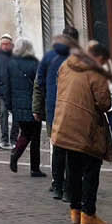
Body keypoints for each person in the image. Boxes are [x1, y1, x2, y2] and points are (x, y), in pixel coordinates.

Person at [51, 38, 112, 224]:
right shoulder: (96, 72)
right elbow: (104, 103)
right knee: (91, 172)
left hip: (64, 124)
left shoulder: (65, 65)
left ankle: (75, 210)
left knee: (73, 170)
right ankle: (88, 214)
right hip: (86, 129)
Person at [38, 26, 78, 199]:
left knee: (57, 148)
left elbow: (39, 83)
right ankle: (70, 189)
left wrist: (40, 108)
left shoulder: (48, 57)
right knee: (72, 150)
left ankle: (57, 185)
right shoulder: (77, 58)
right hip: (72, 110)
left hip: (53, 108)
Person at [3, 40, 44, 176]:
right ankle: (33, 167)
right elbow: (39, 85)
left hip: (17, 105)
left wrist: (8, 104)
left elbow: (6, 86)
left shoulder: (11, 64)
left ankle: (18, 155)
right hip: (32, 105)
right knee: (34, 136)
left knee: (25, 133)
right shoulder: (34, 64)